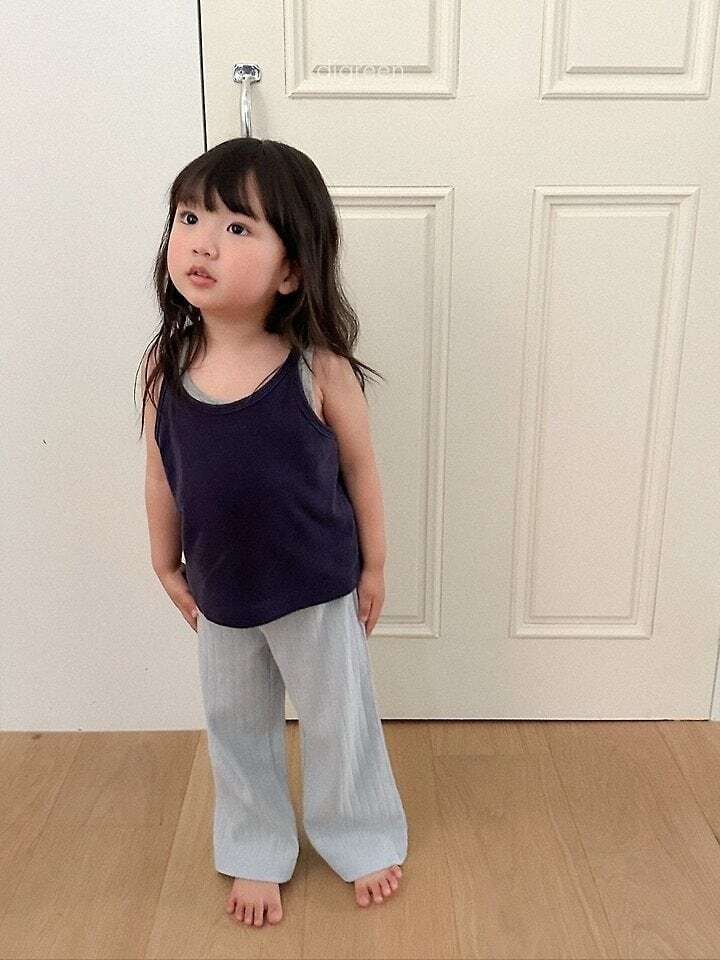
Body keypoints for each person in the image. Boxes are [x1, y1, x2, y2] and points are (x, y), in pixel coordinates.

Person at [136, 138, 407, 928]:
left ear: (291, 270)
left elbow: (362, 471)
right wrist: (163, 562)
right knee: (237, 727)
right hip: (221, 591)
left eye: (237, 228)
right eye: (190, 218)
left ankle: (360, 835)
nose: (202, 243)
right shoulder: (165, 367)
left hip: (316, 586)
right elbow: (160, 471)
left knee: (338, 722)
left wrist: (376, 565)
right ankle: (255, 847)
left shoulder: (318, 368)